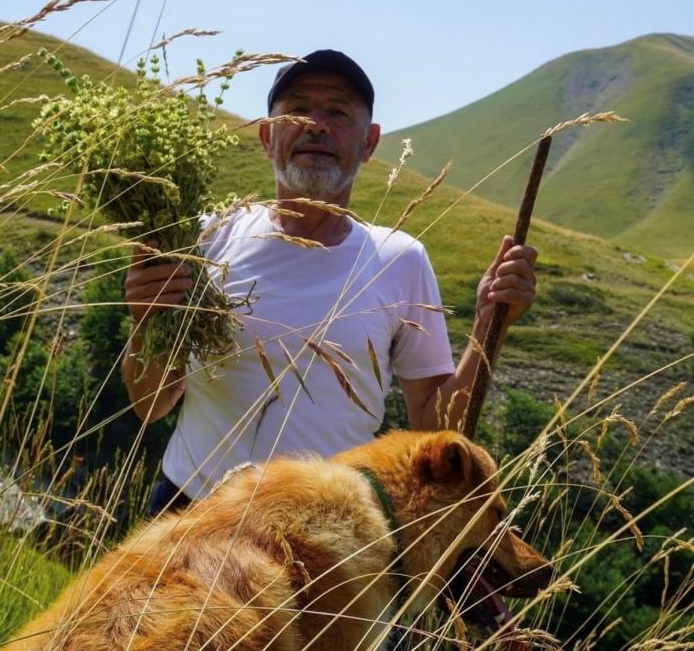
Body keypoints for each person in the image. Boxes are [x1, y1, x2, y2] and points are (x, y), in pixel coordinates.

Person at [122, 50, 537, 514]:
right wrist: (145, 322)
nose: (315, 124)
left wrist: (489, 323)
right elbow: (149, 405)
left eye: (338, 112)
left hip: (323, 538)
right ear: (266, 134)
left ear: (369, 142)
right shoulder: (207, 238)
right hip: (190, 516)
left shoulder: (400, 260)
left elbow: (432, 426)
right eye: (297, 109)